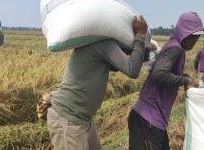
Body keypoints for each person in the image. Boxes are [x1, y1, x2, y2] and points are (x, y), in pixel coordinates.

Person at [47, 15, 149, 150]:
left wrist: (142, 49)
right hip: (69, 118)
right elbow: (132, 70)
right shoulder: (103, 43)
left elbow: (121, 64)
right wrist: (140, 36)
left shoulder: (98, 43)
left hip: (83, 118)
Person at [129, 12, 204, 150]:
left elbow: (165, 71)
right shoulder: (175, 49)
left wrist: (184, 76)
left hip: (151, 120)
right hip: (148, 120)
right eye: (194, 37)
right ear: (185, 34)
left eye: (197, 37)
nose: (195, 41)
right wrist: (186, 80)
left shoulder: (173, 46)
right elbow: (158, 74)